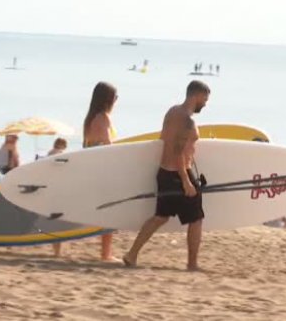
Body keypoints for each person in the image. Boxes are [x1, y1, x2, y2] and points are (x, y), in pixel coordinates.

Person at [124, 80, 210, 271]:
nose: (205, 103)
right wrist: (186, 181)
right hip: (179, 174)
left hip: (164, 172)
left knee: (160, 217)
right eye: (205, 99)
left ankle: (132, 254)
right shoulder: (188, 122)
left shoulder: (172, 112)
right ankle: (192, 264)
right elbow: (178, 151)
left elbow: (164, 141)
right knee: (196, 218)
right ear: (196, 95)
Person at [82, 82, 119, 262]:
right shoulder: (103, 118)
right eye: (115, 97)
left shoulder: (90, 119)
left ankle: (106, 252)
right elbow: (108, 144)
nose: (116, 101)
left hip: (94, 168)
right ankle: (106, 254)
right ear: (108, 100)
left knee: (107, 212)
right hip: (104, 169)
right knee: (110, 212)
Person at [46, 137, 68, 257]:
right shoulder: (62, 155)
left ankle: (56, 251)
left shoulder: (49, 154)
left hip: (50, 190)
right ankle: (57, 252)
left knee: (54, 222)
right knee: (58, 222)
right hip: (59, 191)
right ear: (63, 145)